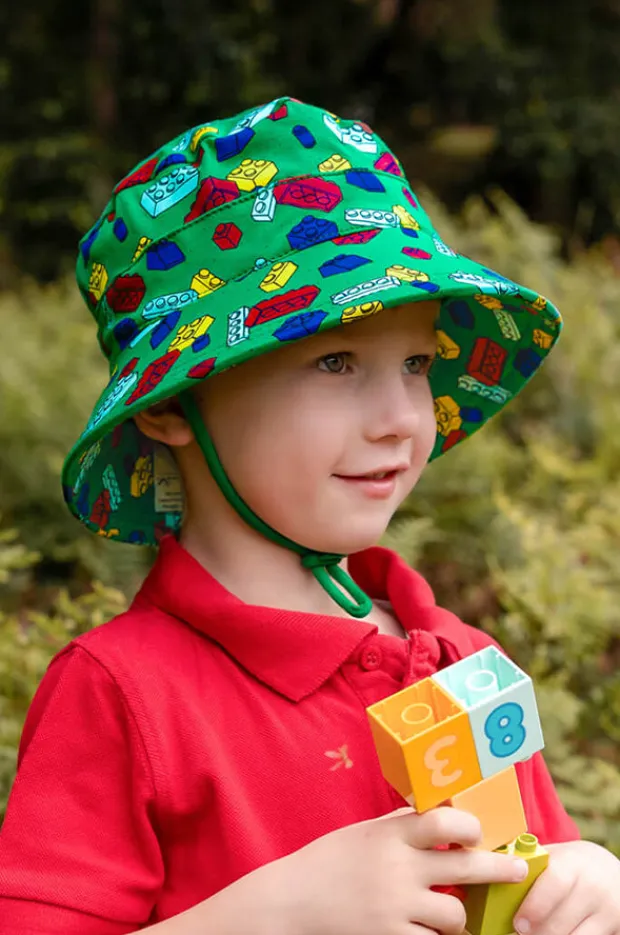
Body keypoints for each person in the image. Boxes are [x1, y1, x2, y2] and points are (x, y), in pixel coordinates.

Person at [1, 96, 619, 935]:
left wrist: (586, 885)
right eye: (335, 361)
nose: (403, 417)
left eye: (414, 363)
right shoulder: (123, 693)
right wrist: (277, 914)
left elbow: (524, 886)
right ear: (170, 404)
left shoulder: (462, 660)